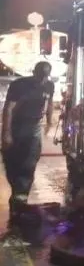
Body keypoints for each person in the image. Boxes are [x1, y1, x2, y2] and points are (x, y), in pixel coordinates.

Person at [1, 61, 55, 216]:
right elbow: (9, 109)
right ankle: (17, 192)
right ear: (34, 72)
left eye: (46, 76)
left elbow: (49, 103)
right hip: (16, 127)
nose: (43, 79)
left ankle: (21, 198)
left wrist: (49, 122)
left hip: (34, 127)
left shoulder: (49, 86)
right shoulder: (20, 85)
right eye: (41, 75)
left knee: (30, 161)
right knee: (11, 161)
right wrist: (6, 133)